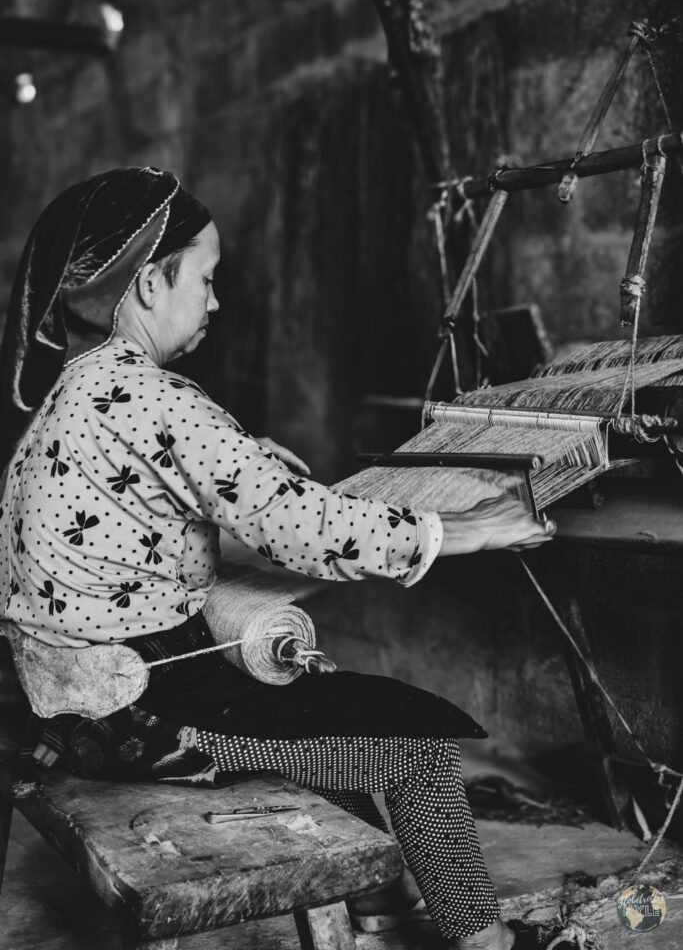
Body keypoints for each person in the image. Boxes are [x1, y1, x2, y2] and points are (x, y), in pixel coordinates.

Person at [0, 167, 554, 950]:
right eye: (206, 278)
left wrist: (241, 461)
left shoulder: (72, 399)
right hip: (144, 715)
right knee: (416, 749)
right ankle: (482, 939)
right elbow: (300, 525)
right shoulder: (156, 397)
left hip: (74, 703)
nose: (215, 301)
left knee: (320, 690)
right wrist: (460, 528)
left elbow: (130, 517)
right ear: (149, 286)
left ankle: (376, 920)